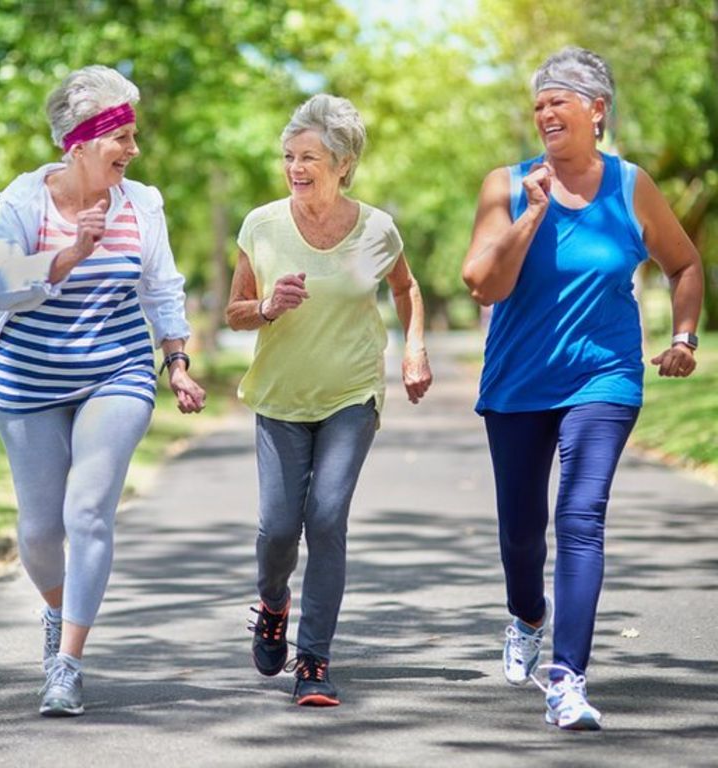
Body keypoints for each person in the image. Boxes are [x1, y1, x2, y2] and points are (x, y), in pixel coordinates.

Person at [462, 47, 703, 730]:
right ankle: (527, 614)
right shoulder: (504, 185)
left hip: (606, 376)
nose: (544, 112)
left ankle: (567, 679)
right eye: (538, 103)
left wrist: (683, 337)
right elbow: (481, 283)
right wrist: (531, 214)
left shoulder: (631, 186)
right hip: (517, 382)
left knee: (580, 516)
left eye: (559, 99)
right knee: (521, 533)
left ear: (597, 110)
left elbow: (683, 264)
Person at [0, 65, 205, 717]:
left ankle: (66, 663)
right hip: (29, 377)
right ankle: (55, 610)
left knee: (88, 511)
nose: (132, 149)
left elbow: (160, 286)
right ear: (78, 141)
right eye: (119, 136)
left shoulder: (142, 203)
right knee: (41, 530)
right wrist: (70, 252)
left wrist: (176, 360)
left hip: (116, 370)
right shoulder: (23, 200)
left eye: (133, 135)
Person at [226, 93, 432, 707]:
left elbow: (406, 288)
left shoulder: (374, 231)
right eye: (289, 156)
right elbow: (234, 312)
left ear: (343, 163)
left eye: (309, 156)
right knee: (277, 527)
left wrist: (414, 349)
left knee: (326, 517)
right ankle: (272, 603)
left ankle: (313, 661)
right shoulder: (262, 226)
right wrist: (265, 307)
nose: (295, 166)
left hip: (350, 393)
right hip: (281, 396)